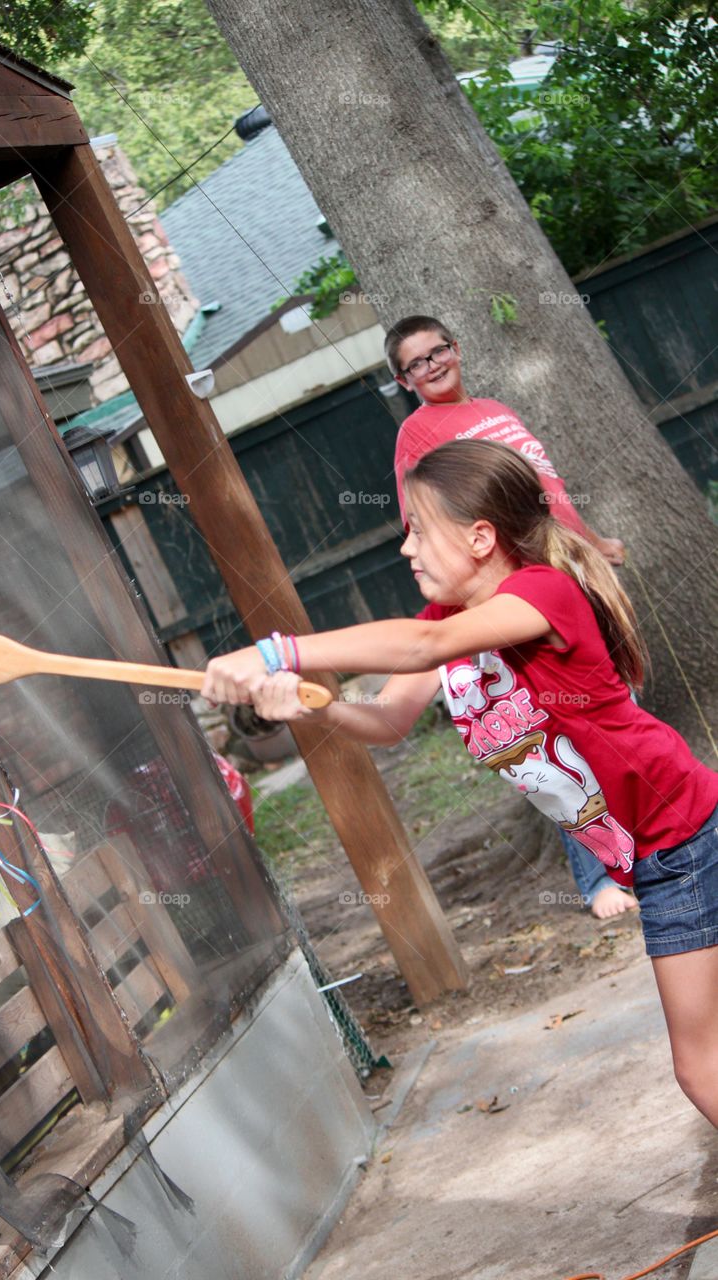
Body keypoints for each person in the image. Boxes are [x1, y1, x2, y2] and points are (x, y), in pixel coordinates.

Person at [201, 440, 718, 1126]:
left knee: (699, 1064)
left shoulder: (542, 592)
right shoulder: (444, 623)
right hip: (658, 847)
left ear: (480, 537)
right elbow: (389, 719)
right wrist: (307, 706)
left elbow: (419, 651)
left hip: (680, 835)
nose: (405, 549)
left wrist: (275, 651)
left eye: (417, 530)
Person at [387, 313, 634, 919]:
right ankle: (598, 880)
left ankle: (639, 852)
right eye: (415, 363)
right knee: (557, 733)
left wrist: (592, 544)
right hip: (524, 588)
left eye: (437, 350)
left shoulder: (496, 409)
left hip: (573, 568)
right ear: (403, 380)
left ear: (457, 348)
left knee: (614, 712)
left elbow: (545, 491)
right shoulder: (417, 434)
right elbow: (429, 521)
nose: (432, 365)